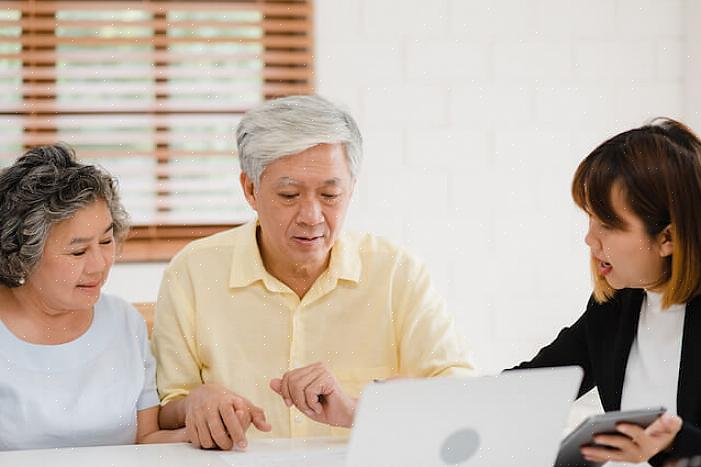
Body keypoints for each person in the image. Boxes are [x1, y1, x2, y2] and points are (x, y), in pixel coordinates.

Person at [152, 94, 472, 450]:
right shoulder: (193, 272)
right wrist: (195, 402)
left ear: (352, 188)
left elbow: (458, 394)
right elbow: (164, 408)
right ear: (250, 190)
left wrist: (358, 409)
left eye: (330, 195)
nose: (312, 216)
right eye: (289, 195)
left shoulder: (397, 272)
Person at [514, 118, 701, 466]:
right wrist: (433, 399)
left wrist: (676, 446)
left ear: (668, 238)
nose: (589, 239)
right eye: (590, 219)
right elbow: (535, 385)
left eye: (608, 224)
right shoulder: (616, 306)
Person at [0, 144, 186, 450]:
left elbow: (147, 440)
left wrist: (210, 428)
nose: (100, 264)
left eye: (106, 240)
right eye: (78, 251)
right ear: (23, 253)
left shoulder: (125, 322)